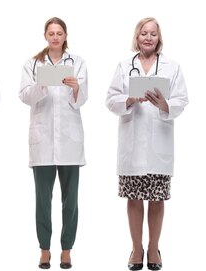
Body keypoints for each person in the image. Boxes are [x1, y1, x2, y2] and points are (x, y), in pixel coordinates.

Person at [106, 17, 188, 271]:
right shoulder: (124, 66)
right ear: (137, 37)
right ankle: (136, 249)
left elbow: (182, 99)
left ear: (159, 38)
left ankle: (153, 249)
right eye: (144, 33)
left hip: (158, 145)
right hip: (132, 143)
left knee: (156, 198)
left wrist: (165, 105)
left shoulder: (171, 67)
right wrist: (128, 99)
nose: (148, 37)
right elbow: (110, 99)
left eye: (153, 33)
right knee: (133, 198)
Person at [19, 17, 87, 270]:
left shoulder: (77, 63)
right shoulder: (33, 64)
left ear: (65, 35)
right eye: (51, 33)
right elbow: (25, 96)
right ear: (45, 36)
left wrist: (76, 87)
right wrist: (41, 85)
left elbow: (82, 98)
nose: (55, 37)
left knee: (71, 201)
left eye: (59, 33)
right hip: (43, 141)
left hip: (69, 141)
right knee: (42, 200)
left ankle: (67, 250)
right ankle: (45, 250)